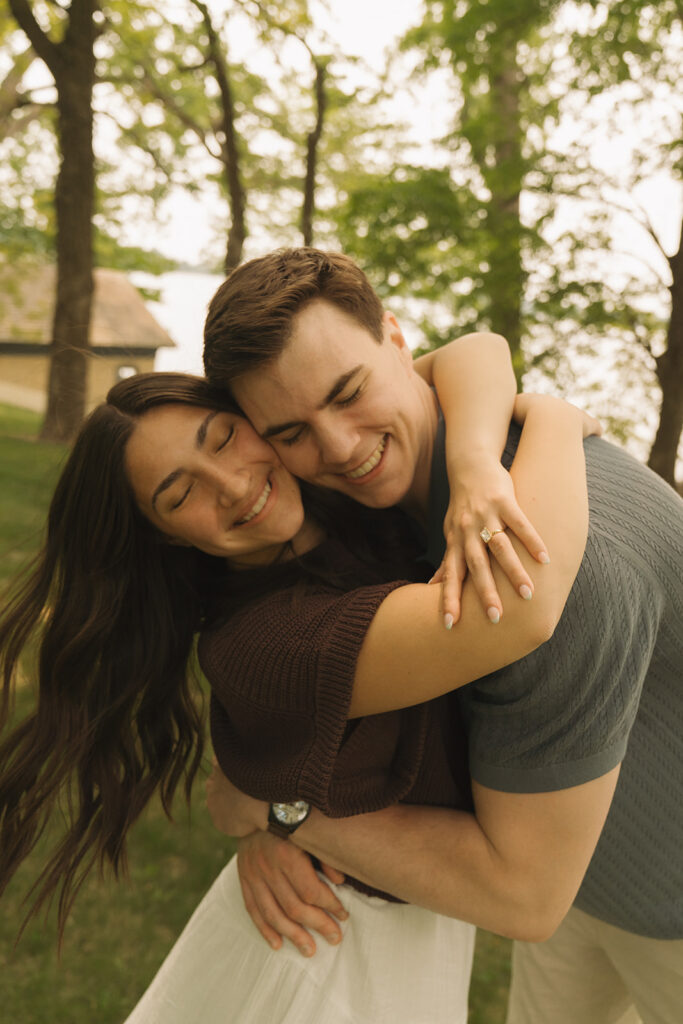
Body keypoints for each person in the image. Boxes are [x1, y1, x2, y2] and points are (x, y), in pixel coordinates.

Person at [0, 350, 591, 1023]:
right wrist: (551, 416)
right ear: (162, 537)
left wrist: (475, 460)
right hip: (319, 949)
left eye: (223, 437)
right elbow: (518, 611)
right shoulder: (267, 643)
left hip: (401, 931)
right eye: (179, 493)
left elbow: (467, 354)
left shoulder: (345, 494)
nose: (230, 483)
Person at [202, 247, 683, 1024]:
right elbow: (474, 352)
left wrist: (281, 809)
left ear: (396, 340)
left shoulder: (551, 566)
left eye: (348, 393)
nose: (335, 448)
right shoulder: (409, 458)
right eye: (290, 431)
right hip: (585, 872)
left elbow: (519, 895)